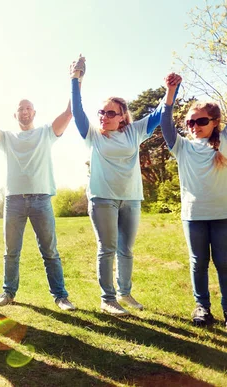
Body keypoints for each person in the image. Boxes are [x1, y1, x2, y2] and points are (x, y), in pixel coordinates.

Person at [71, 55, 175, 316]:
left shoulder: (134, 131)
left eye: (110, 113)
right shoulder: (93, 134)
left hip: (130, 198)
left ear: (122, 117)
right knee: (107, 249)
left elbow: (160, 114)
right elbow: (77, 111)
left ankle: (124, 293)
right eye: (102, 112)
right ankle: (107, 299)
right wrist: (76, 80)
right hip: (102, 199)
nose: (104, 116)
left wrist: (171, 90)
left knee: (125, 250)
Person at [0, 81, 76, 311]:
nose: (24, 112)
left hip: (41, 199)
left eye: (28, 108)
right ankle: (8, 292)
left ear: (34, 112)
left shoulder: (45, 133)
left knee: (50, 251)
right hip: (13, 200)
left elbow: (69, 112)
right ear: (15, 114)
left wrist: (76, 80)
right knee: (11, 252)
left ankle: (61, 296)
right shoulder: (7, 138)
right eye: (20, 109)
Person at [161, 74, 227, 327]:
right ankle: (202, 308)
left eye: (201, 121)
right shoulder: (182, 147)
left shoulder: (224, 142)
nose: (194, 126)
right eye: (190, 121)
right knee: (199, 263)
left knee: (224, 264)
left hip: (223, 215)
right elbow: (166, 123)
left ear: (215, 122)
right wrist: (171, 91)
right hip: (194, 216)